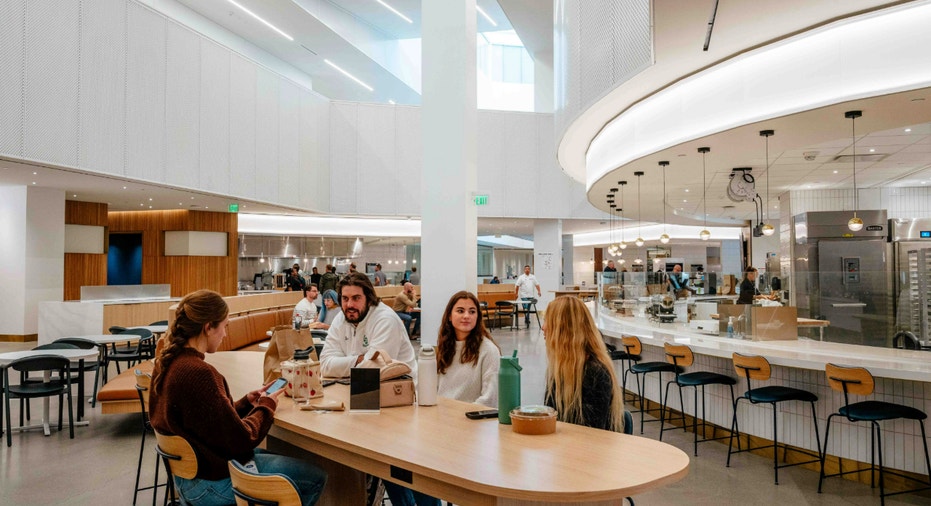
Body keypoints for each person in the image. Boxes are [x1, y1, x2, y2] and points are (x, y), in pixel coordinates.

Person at [149, 290, 327, 505]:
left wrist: (245, 404)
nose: (225, 334)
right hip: (211, 483)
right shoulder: (199, 373)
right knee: (315, 477)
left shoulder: (168, 362)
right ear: (208, 328)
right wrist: (266, 406)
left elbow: (208, 420)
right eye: (224, 327)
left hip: (187, 478)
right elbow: (242, 440)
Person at [543, 296, 625, 432]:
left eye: (548, 321)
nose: (543, 327)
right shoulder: (560, 368)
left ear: (563, 329)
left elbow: (590, 435)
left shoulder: (595, 372)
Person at [320, 272, 417, 384]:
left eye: (356, 298)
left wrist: (342, 365)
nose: (350, 305)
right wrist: (359, 359)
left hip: (399, 393)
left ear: (369, 299)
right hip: (354, 387)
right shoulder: (341, 318)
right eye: (345, 298)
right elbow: (325, 365)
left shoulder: (385, 319)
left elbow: (374, 370)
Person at [436, 291, 500, 407]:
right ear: (450, 316)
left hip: (471, 419)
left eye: (472, 312)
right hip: (441, 416)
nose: (466, 316)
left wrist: (462, 416)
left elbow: (490, 398)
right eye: (460, 311)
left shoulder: (489, 350)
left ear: (477, 317)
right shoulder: (444, 347)